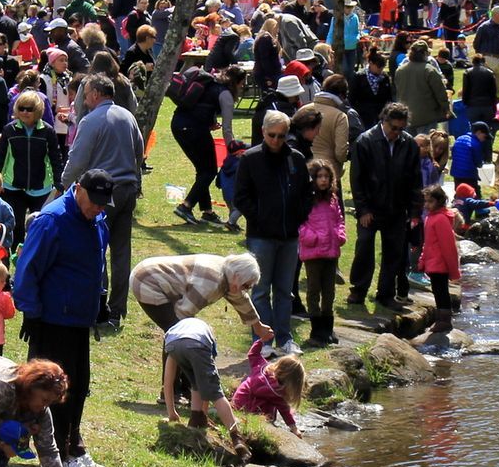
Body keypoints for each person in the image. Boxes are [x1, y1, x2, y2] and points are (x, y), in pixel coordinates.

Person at [12, 169, 111, 467]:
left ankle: (73, 446)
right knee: (52, 389)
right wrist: (31, 312)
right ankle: (56, 455)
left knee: (79, 385)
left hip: (79, 318)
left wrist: (101, 299)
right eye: (93, 201)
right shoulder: (52, 220)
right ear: (77, 188)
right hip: (52, 319)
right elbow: (28, 269)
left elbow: (98, 263)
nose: (97, 207)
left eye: (103, 203)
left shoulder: (98, 221)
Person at [60, 72, 145, 324]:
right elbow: (139, 151)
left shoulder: (91, 120)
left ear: (96, 94)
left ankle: (99, 307)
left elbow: (77, 160)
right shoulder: (128, 116)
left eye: (86, 96)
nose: (84, 101)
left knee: (95, 246)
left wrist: (64, 184)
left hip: (101, 193)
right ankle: (117, 310)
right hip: (128, 188)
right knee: (121, 252)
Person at [234, 109, 312, 354]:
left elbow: (306, 195)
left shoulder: (296, 159)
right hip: (261, 236)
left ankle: (285, 338)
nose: (276, 140)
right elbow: (241, 196)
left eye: (281, 135)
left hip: (289, 236)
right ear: (263, 133)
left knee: (285, 290)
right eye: (271, 135)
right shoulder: (250, 159)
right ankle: (263, 341)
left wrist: (298, 218)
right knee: (259, 290)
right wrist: (260, 218)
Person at [347, 102, 423, 308]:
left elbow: (416, 181)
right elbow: (357, 179)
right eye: (394, 128)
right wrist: (363, 209)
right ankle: (358, 290)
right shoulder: (366, 141)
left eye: (401, 129)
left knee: (394, 252)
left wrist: (414, 211)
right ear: (384, 121)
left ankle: (386, 293)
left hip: (397, 208)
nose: (397, 133)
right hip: (371, 207)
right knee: (364, 249)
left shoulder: (409, 144)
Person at [129, 251, 271, 347]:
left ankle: (182, 385)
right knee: (179, 337)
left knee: (184, 337)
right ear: (237, 277)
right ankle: (171, 390)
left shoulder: (229, 271)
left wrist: (258, 327)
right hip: (147, 281)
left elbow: (241, 300)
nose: (245, 290)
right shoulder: (210, 283)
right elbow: (182, 313)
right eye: (245, 285)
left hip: (153, 274)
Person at [169, 65, 243, 225]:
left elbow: (200, 107)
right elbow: (227, 128)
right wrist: (232, 148)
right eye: (242, 84)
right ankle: (186, 206)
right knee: (209, 171)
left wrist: (209, 123)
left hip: (178, 124)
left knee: (203, 170)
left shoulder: (212, 84)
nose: (243, 87)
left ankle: (207, 211)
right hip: (194, 129)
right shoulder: (226, 95)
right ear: (237, 82)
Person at [0, 90, 59, 244]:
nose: (25, 112)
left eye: (29, 109)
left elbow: (55, 158)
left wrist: (59, 183)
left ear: (37, 110)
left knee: (40, 227)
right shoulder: (9, 130)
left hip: (41, 188)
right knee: (16, 227)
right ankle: (16, 262)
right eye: (21, 108)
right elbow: (1, 158)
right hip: (13, 188)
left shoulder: (48, 131)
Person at [298, 159, 347, 347]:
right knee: (313, 290)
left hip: (331, 251)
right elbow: (300, 223)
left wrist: (339, 235)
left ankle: (328, 328)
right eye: (319, 177)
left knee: (329, 291)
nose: (323, 180)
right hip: (313, 251)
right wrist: (312, 238)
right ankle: (316, 329)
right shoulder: (307, 199)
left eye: (327, 176)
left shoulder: (332, 199)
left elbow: (339, 219)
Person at [161, 317, 239, 431]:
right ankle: (236, 435)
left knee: (195, 382)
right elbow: (205, 382)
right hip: (197, 343)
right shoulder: (207, 336)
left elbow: (168, 382)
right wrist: (205, 413)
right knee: (214, 391)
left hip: (172, 342)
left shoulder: (178, 331)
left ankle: (195, 421)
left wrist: (172, 413)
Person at [418, 184, 464, 335]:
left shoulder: (440, 219)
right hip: (433, 262)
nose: (426, 205)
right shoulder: (431, 218)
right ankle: (441, 318)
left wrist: (454, 270)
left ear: (439, 201)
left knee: (441, 291)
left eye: (430, 202)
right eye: (425, 201)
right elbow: (427, 242)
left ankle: (444, 320)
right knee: (437, 291)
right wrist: (423, 260)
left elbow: (448, 247)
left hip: (440, 264)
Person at [231, 340, 304, 434]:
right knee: (270, 405)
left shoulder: (262, 366)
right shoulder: (276, 392)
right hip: (248, 410)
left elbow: (253, 354)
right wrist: (294, 428)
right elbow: (284, 410)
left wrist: (261, 339)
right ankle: (263, 422)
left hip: (238, 401)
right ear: (290, 382)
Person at [393, 40, 450, 132]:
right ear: (424, 53)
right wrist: (446, 109)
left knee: (410, 145)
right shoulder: (429, 70)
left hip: (406, 117)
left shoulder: (400, 70)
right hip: (426, 117)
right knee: (426, 144)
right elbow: (440, 93)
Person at [451, 121, 492, 196]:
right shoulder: (476, 144)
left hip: (456, 173)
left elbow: (453, 154)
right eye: (484, 137)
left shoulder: (459, 139)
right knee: (474, 195)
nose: (484, 140)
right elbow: (478, 163)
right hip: (469, 175)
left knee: (459, 192)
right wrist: (481, 163)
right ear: (478, 132)